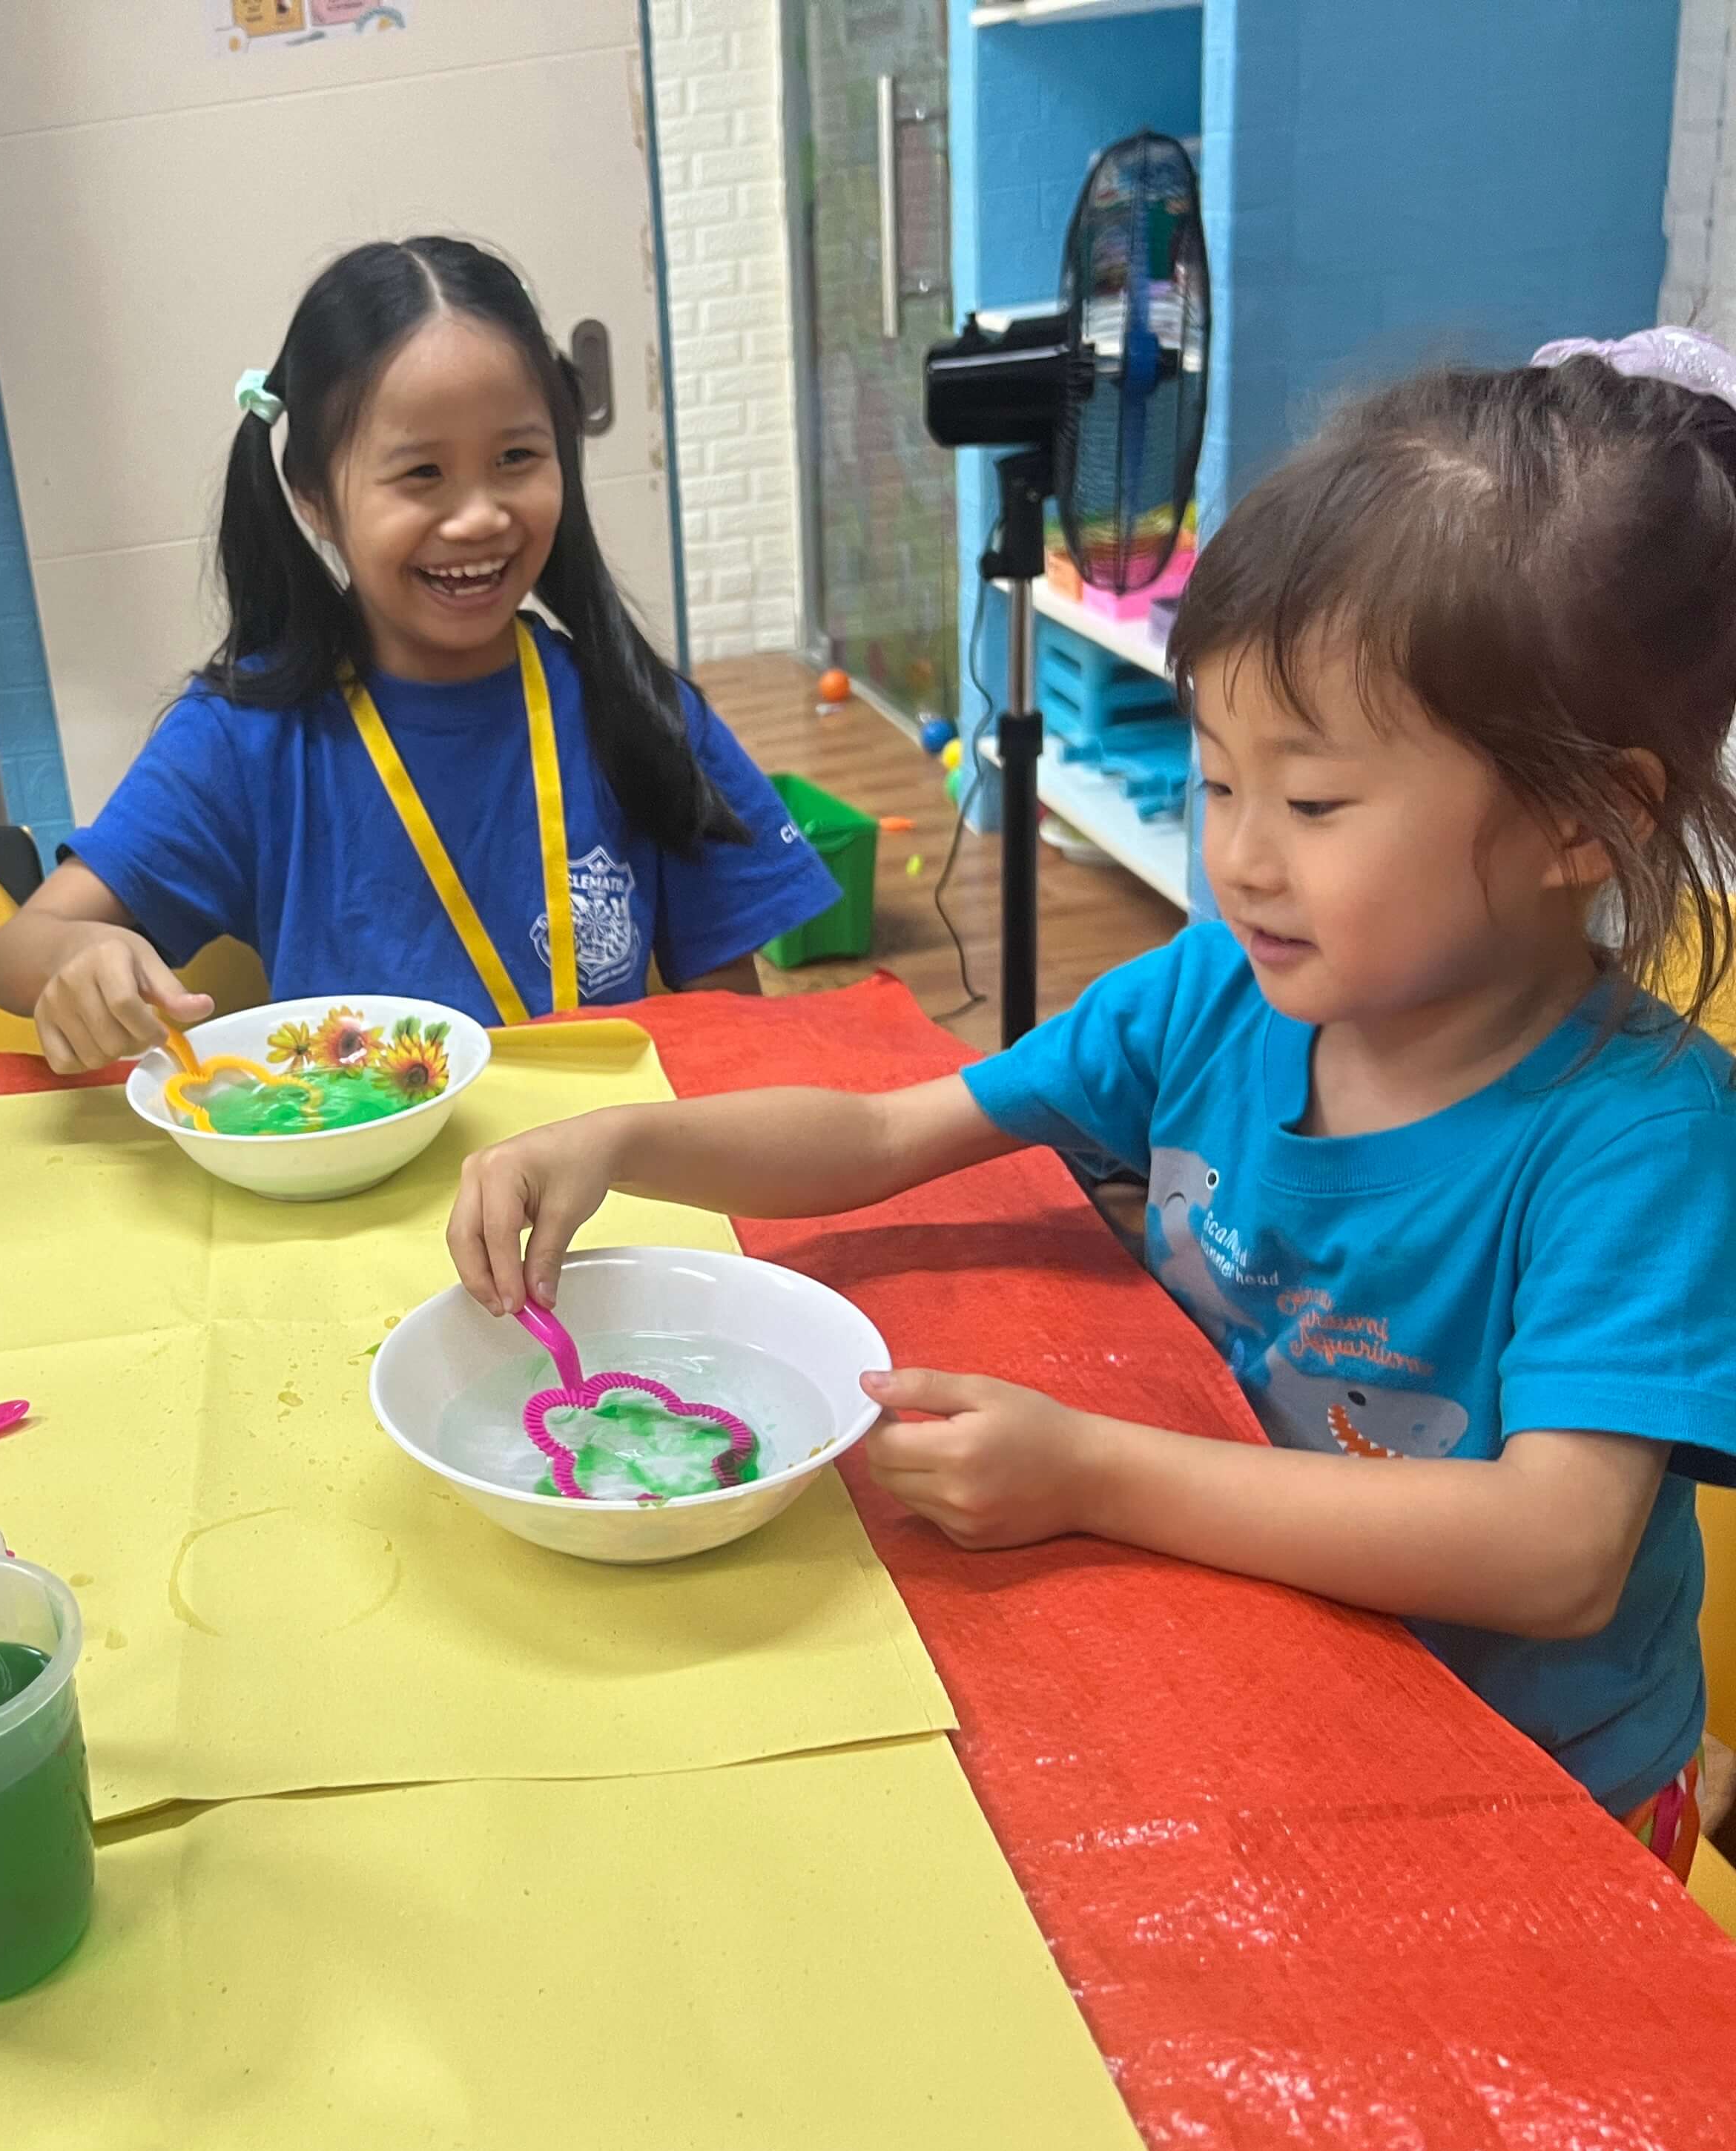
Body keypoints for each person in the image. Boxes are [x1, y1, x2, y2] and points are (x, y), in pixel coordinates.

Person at [446, 340, 1736, 1872]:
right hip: (1270, 1667)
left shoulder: (1640, 1135)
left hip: (1534, 1804)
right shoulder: (1214, 995)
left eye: (1312, 802)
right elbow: (887, 1133)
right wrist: (617, 1141)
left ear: (1584, 817)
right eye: (1217, 782)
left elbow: (1554, 1553)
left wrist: (1093, 1471)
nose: (1238, 858)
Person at [0, 237, 841, 1073]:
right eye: (422, 473)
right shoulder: (248, 738)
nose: (480, 517)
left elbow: (732, 1034)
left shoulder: (640, 711)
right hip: (352, 1166)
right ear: (314, 498)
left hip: (600, 1163)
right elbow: (15, 948)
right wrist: (80, 958)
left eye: (517, 457)